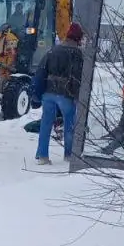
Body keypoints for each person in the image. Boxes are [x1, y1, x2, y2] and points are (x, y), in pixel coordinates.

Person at [35, 22, 84, 165]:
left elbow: (41, 71)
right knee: (69, 124)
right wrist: (76, 95)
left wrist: (38, 92)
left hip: (49, 93)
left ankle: (42, 155)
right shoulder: (77, 53)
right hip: (65, 94)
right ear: (78, 38)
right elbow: (77, 76)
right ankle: (69, 154)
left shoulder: (53, 50)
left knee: (46, 124)